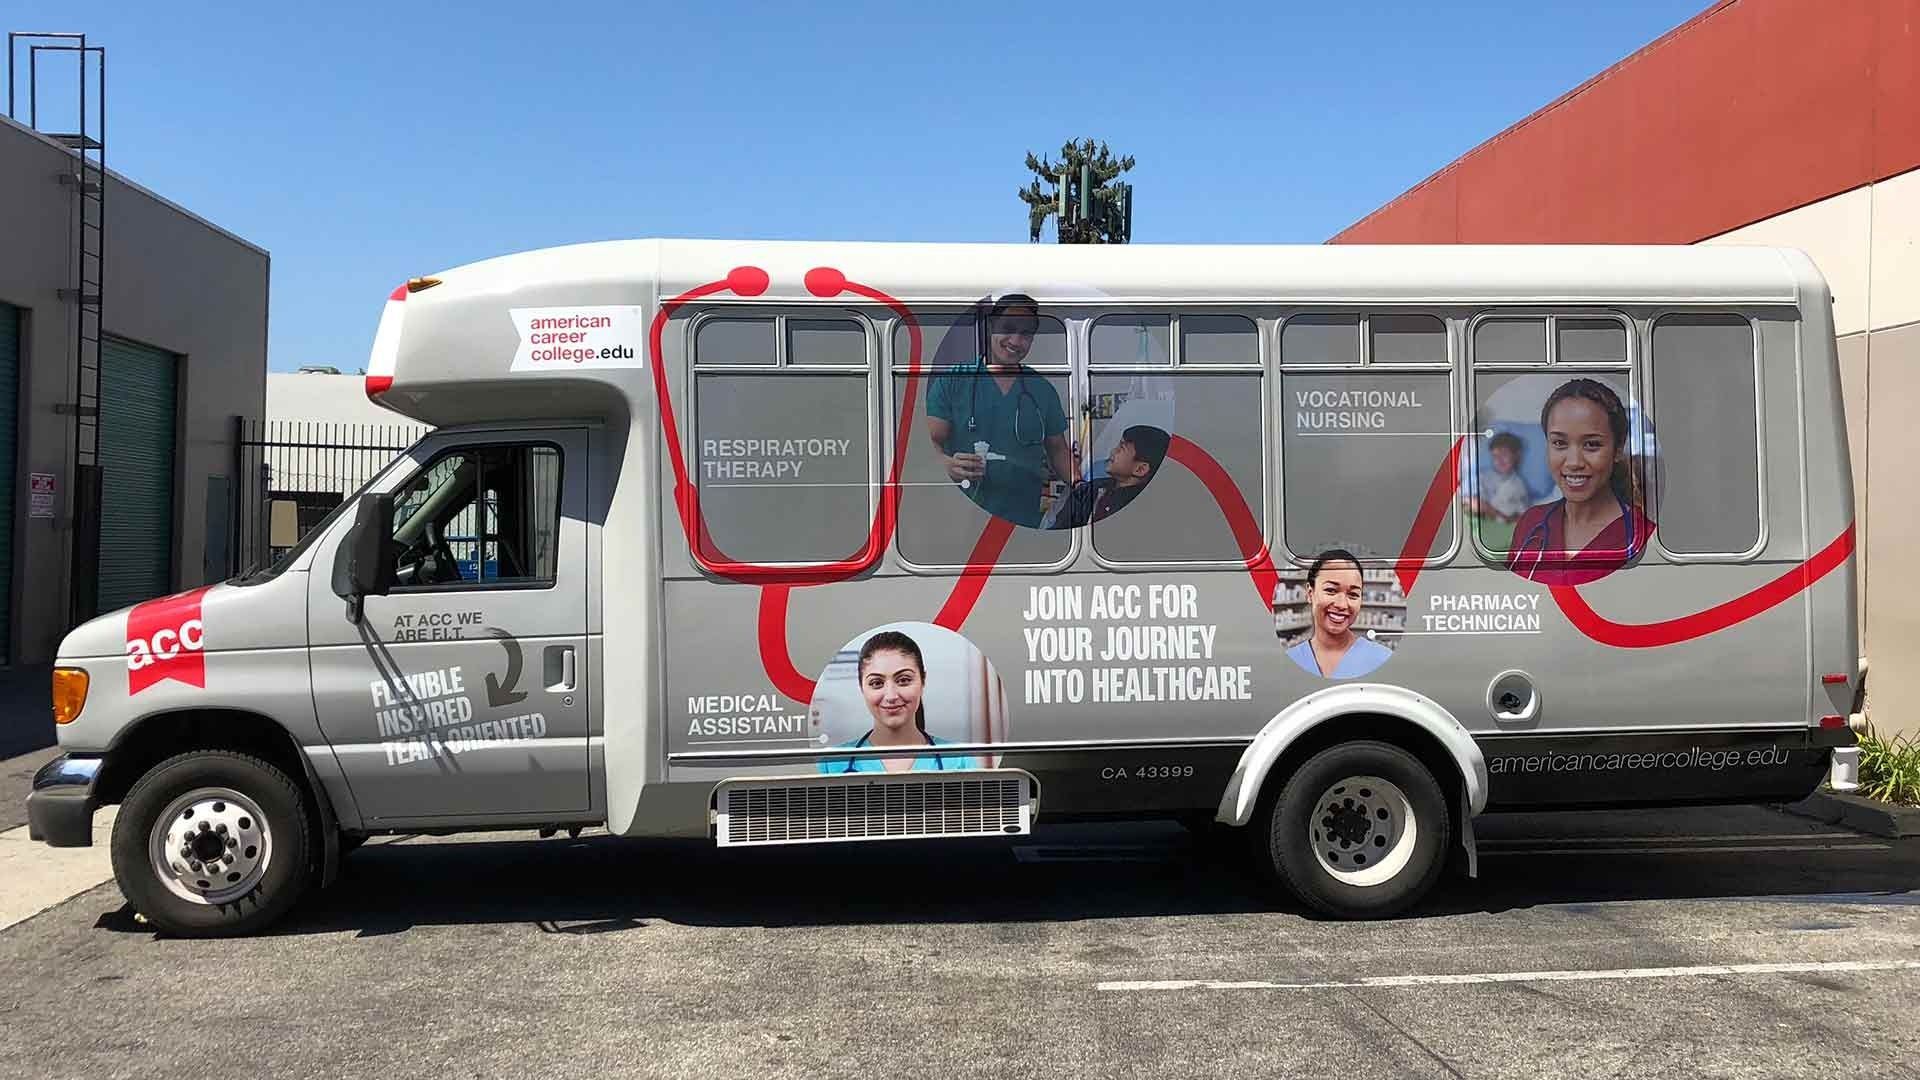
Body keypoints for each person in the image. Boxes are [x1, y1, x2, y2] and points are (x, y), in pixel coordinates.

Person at [925, 294, 1076, 528]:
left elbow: (1058, 450)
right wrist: (946, 465)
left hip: (1023, 521)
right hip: (962, 515)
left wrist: (1083, 486)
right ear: (991, 326)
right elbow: (927, 446)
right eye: (1008, 328)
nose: (1016, 340)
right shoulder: (954, 380)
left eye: (1026, 334)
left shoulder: (1041, 389)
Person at [1506, 378, 1656, 585]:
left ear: (1618, 449)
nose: (1574, 462)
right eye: (1559, 443)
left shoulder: (1645, 538)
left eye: (1592, 445)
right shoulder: (1531, 524)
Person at [818, 630, 982, 774]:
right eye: (876, 683)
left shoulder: (959, 760)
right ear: (861, 687)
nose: (891, 696)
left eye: (903, 680)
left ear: (923, 681)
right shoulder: (832, 763)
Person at [1285, 549, 1395, 679]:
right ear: (1310, 593)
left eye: (1353, 594)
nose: (1342, 604)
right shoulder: (1291, 659)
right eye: (1331, 590)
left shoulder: (1382, 658)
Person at [1047, 424, 1169, 529]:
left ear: (1140, 469)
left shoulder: (1147, 508)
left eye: (1121, 448)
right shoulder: (1088, 491)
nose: (1112, 451)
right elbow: (1061, 531)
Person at [1468, 431, 1532, 522]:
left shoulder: (1519, 486)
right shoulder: (1482, 476)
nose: (1499, 460)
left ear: (1516, 456)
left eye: (1504, 454)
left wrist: (1491, 511)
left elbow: (1522, 519)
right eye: (1495, 456)